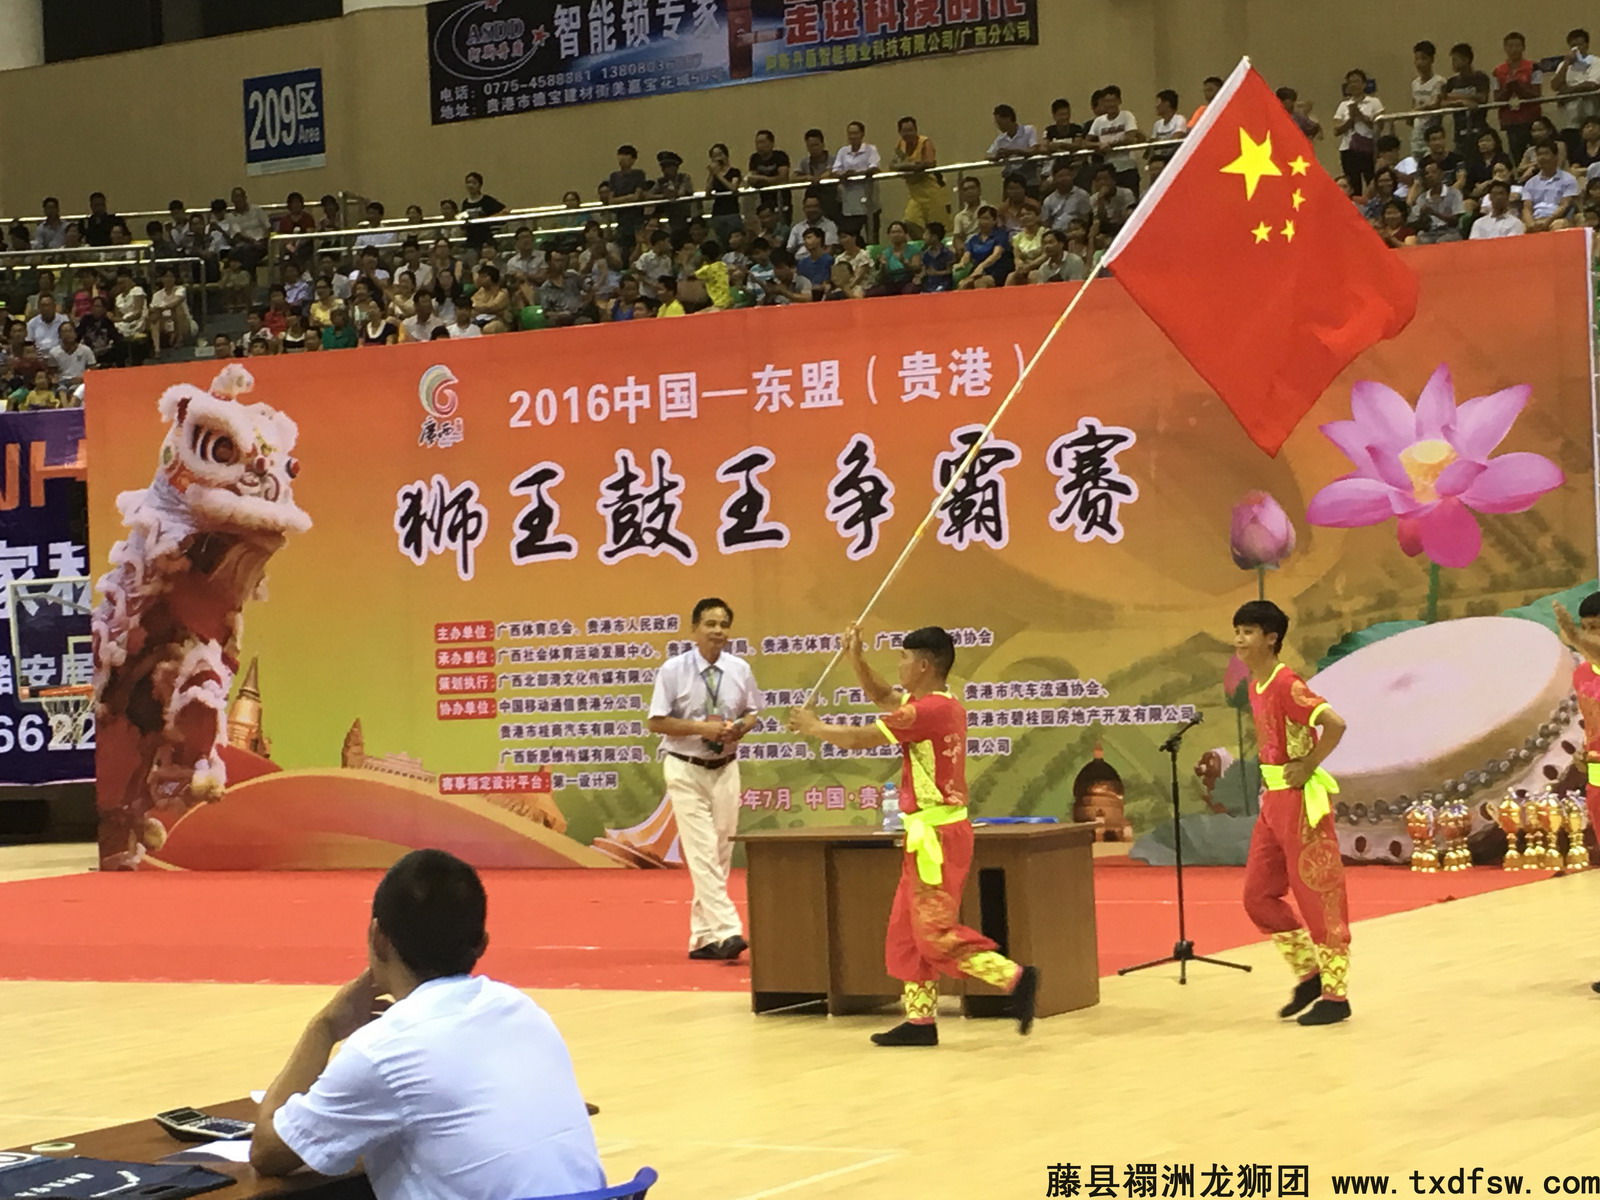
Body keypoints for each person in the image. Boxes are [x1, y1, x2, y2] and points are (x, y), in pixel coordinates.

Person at [249, 849, 604, 1198]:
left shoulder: (382, 1050)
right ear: (481, 944)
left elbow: (267, 1151)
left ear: (378, 938)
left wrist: (324, 1027)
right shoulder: (524, 1010)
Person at [789, 625, 1038, 1046]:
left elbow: (859, 738)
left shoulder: (926, 713)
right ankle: (920, 1022)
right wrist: (855, 659)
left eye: (904, 658)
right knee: (906, 932)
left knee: (934, 932)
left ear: (923, 665)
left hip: (936, 838)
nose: (900, 666)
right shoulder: (936, 705)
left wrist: (814, 726)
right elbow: (883, 696)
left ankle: (1014, 977)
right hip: (930, 833)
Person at [1232, 600, 1351, 1026]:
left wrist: (1309, 764)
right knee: (1258, 896)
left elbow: (1334, 723)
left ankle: (1337, 996)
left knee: (1318, 898)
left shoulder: (1286, 684)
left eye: (1248, 632)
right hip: (1273, 802)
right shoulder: (1256, 685)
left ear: (1271, 638)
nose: (1239, 640)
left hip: (1300, 804)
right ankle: (1310, 974)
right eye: (1237, 631)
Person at [647, 598, 760, 960]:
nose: (718, 631)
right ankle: (728, 930)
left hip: (725, 767)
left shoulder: (739, 669)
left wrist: (738, 728)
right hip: (685, 767)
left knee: (721, 850)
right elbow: (656, 722)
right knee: (701, 851)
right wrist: (701, 728)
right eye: (710, 624)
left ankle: (703, 938)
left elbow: (752, 712)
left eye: (724, 624)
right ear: (694, 629)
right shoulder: (673, 670)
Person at [1553, 600, 1600, 955]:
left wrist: (1573, 636)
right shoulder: (1582, 674)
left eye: (1597, 628)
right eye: (1586, 628)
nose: (1589, 636)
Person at [890, 116, 948, 238]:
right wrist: (911, 166)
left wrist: (905, 166)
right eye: (905, 131)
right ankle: (924, 245)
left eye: (911, 130)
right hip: (914, 193)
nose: (908, 134)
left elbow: (929, 163)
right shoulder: (901, 144)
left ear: (916, 130)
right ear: (899, 132)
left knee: (938, 227)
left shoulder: (925, 142)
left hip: (931, 191)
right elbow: (893, 165)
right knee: (909, 221)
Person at [1493, 31, 1543, 164]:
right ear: (1505, 48)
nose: (1513, 50)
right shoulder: (1497, 71)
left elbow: (1537, 94)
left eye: (1517, 46)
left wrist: (1519, 88)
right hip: (1511, 121)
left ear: (1523, 47)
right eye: (1510, 46)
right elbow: (1497, 99)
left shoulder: (1534, 67)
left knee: (1536, 154)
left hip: (1531, 118)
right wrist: (1508, 89)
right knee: (1516, 156)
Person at [829, 120, 881, 241]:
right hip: (849, 201)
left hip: (868, 198)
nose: (852, 136)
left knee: (872, 235)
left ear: (862, 134)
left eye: (855, 133)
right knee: (852, 236)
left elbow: (874, 168)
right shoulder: (843, 151)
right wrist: (843, 174)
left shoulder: (871, 149)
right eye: (850, 134)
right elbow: (835, 170)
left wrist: (856, 174)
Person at [1334, 69, 1383, 192]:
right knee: (1353, 183)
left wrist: (1360, 116)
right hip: (1348, 149)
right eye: (1350, 82)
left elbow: (1379, 126)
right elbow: (1336, 130)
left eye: (1356, 81)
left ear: (1364, 84)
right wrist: (1351, 118)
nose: (1353, 85)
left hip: (1369, 148)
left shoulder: (1374, 102)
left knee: (1372, 179)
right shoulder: (1344, 105)